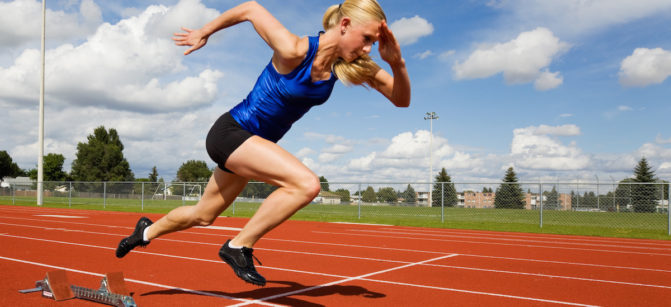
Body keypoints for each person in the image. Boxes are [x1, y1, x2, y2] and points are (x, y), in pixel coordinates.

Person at [115, 0, 410, 287]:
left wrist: (397, 63)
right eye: (367, 38)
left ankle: (144, 232)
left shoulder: (350, 66)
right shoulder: (294, 49)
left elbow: (401, 100)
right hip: (231, 132)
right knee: (306, 184)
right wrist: (205, 31)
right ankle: (238, 246)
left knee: (202, 215)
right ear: (345, 25)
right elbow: (250, 8)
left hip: (251, 148)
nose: (369, 48)